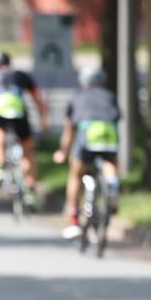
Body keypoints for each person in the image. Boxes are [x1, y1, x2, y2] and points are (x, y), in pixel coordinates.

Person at [53, 67, 121, 240]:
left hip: (87, 134)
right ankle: (112, 184)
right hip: (107, 133)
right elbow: (117, 116)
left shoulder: (77, 97)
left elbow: (69, 131)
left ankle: (74, 220)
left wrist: (63, 152)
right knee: (110, 163)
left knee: (76, 175)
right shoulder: (109, 96)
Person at [0, 51, 49, 195]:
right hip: (19, 112)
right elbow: (37, 98)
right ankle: (30, 185)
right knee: (28, 150)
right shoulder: (21, 75)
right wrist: (43, 119)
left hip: (0, 111)